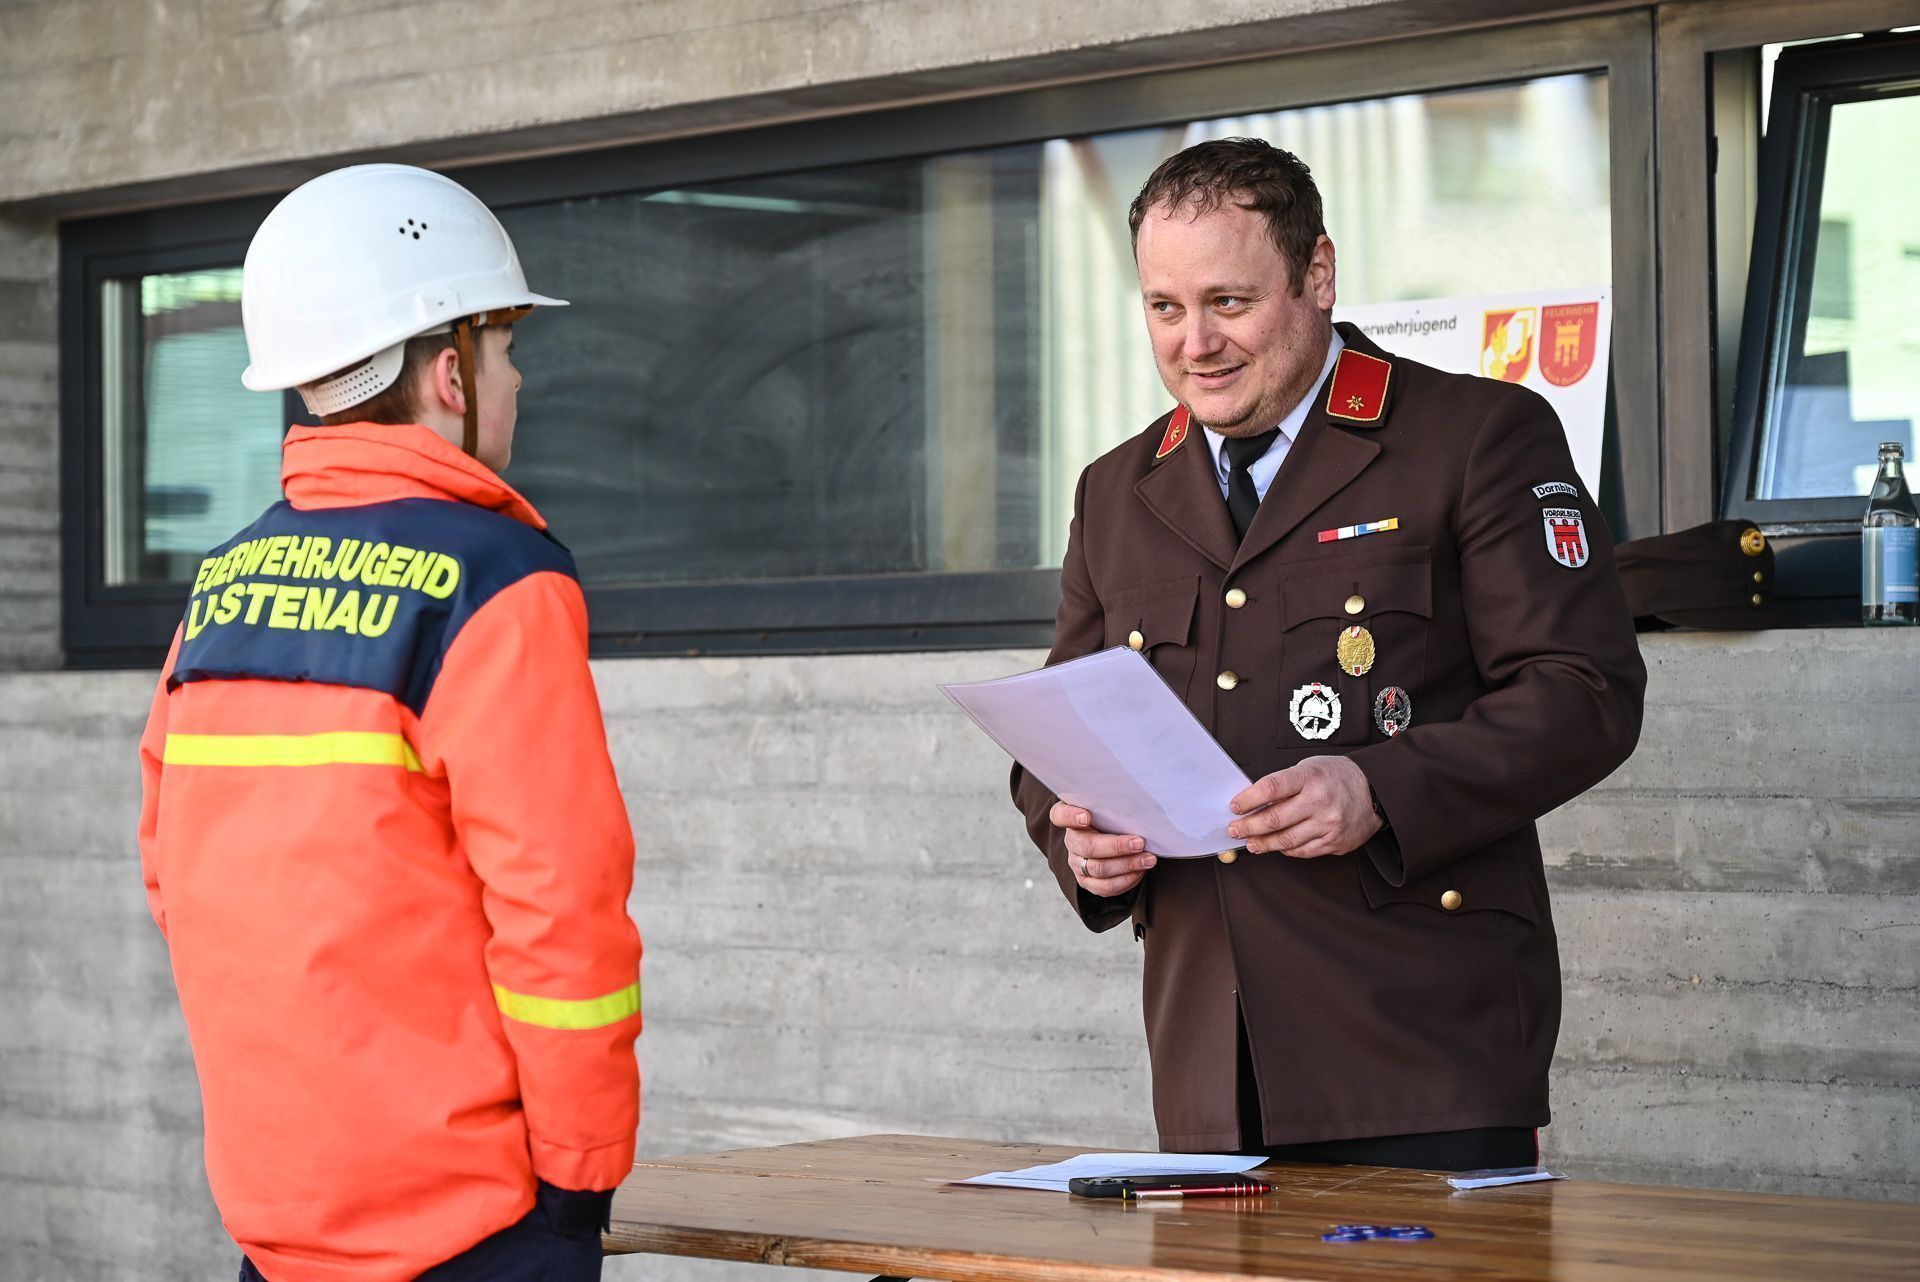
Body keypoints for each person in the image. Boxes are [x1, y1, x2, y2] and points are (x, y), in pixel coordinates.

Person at [1011, 138, 1645, 1171]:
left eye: (1229, 301)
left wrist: (1378, 788)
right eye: (1165, 308)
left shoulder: (1477, 435)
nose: (1196, 343)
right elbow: (1058, 738)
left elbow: (1586, 693)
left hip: (1421, 1047)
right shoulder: (1115, 491)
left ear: (1317, 275)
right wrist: (1081, 844)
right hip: (1209, 1066)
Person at [136, 164, 643, 1281]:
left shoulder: (223, 588)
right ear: (450, 372)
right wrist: (577, 1185)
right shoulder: (499, 579)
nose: (517, 380)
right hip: (473, 1227)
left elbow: (177, 876)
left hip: (279, 1220)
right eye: (508, 348)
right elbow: (562, 918)